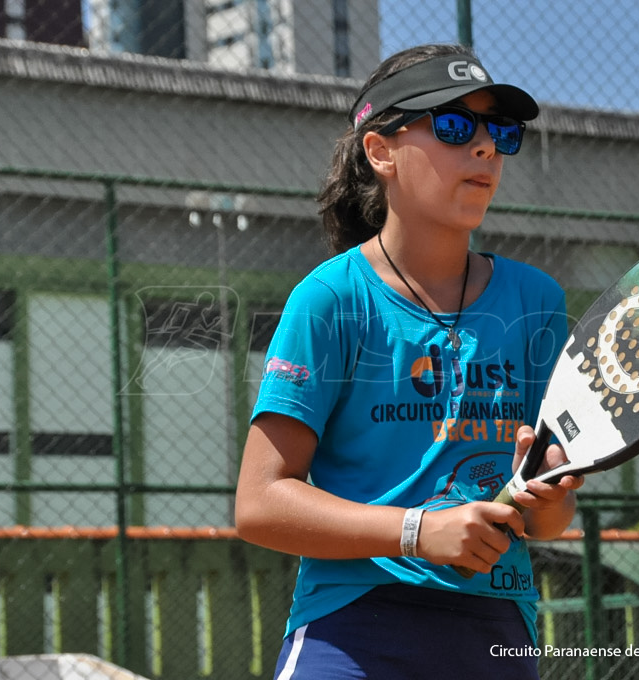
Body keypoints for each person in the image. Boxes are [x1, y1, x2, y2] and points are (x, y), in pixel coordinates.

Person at [234, 43, 583, 679]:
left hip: (496, 625)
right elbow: (260, 503)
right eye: (454, 125)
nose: (484, 148)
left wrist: (550, 494)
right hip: (352, 624)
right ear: (381, 151)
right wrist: (418, 532)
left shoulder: (537, 301)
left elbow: (549, 524)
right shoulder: (331, 299)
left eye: (498, 131)